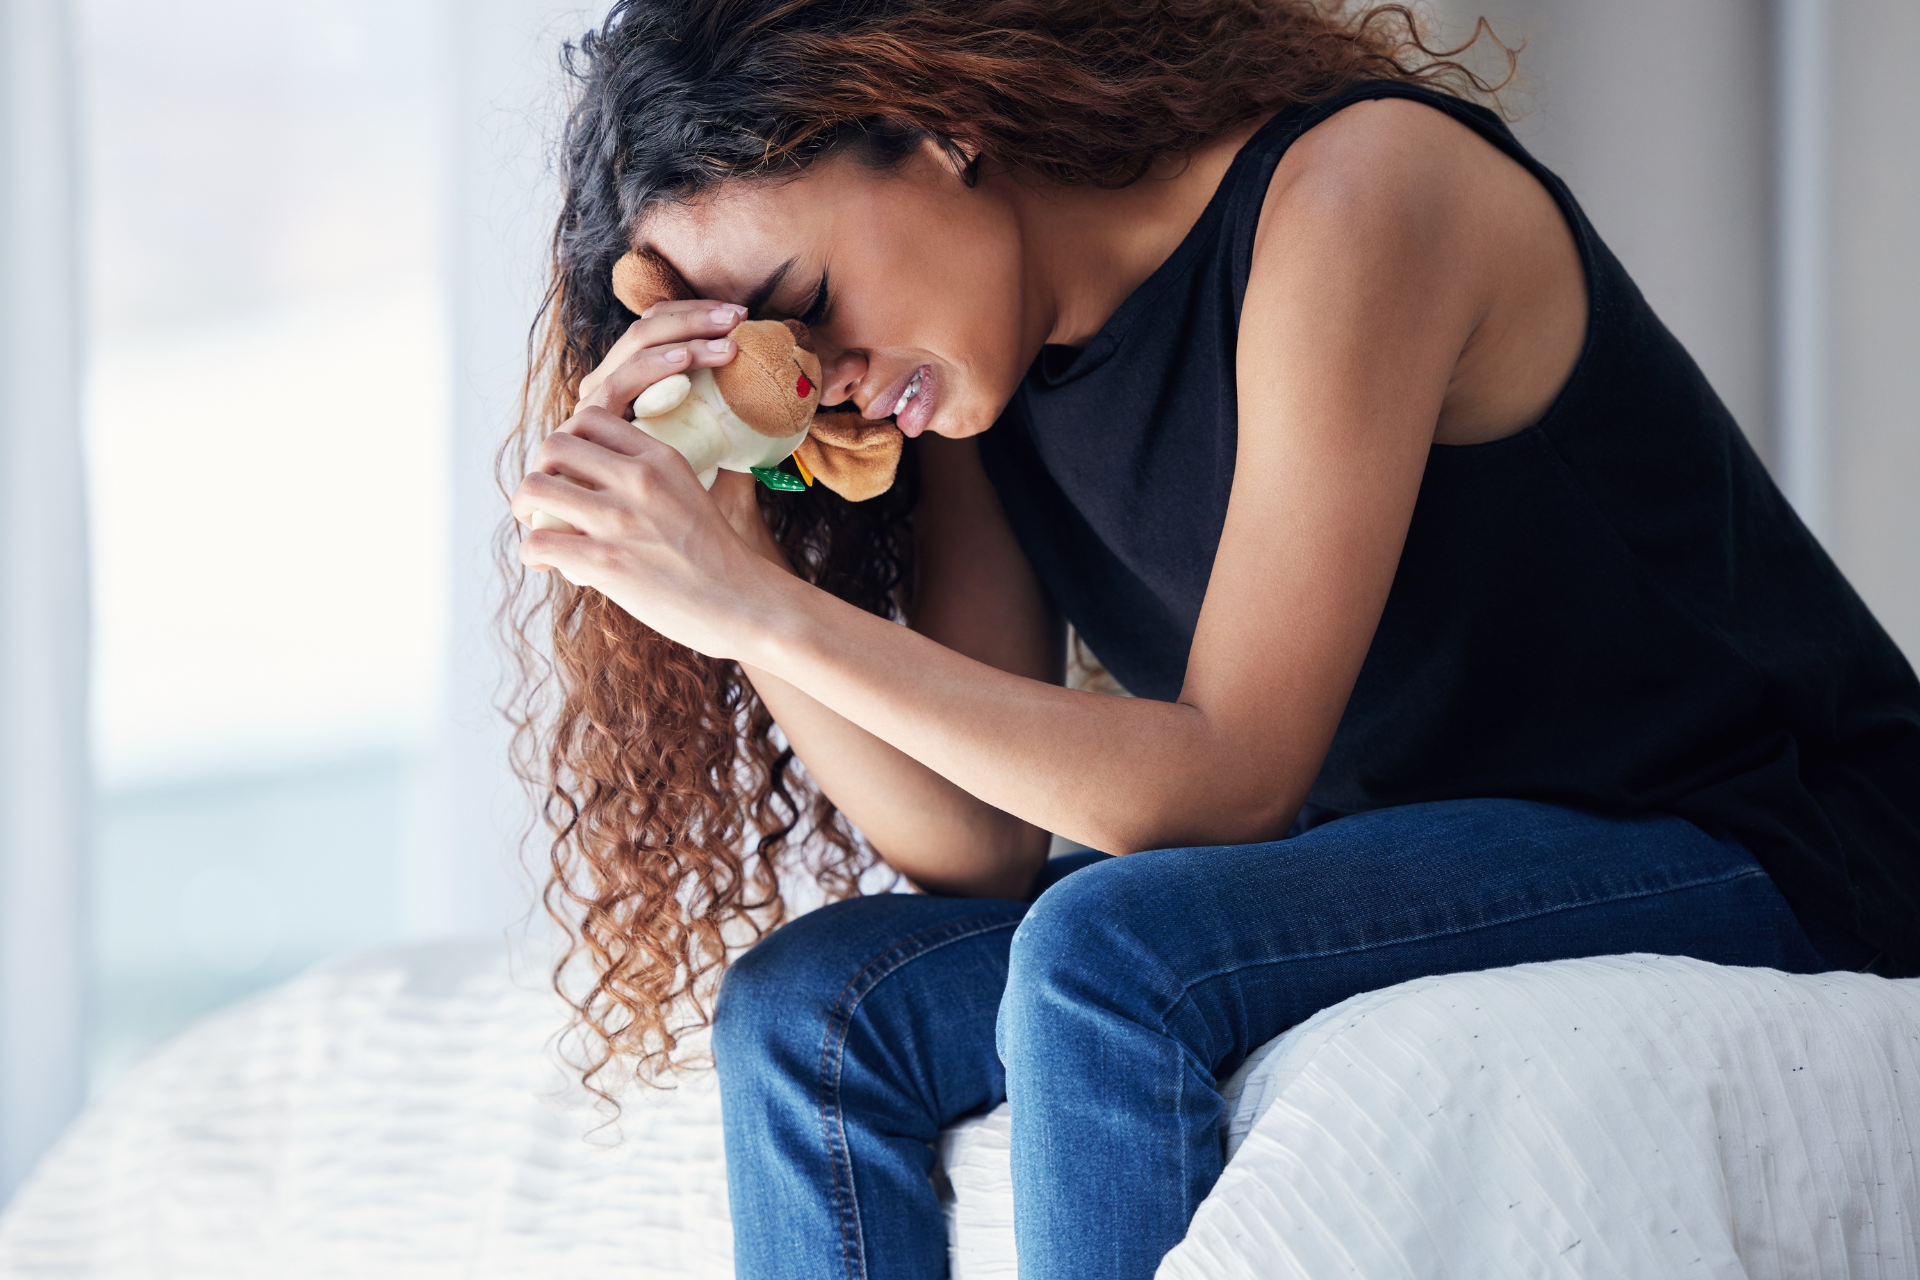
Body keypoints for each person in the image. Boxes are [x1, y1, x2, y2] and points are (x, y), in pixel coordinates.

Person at [503, 2, 1920, 1276]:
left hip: (1761, 827)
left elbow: (1233, 780)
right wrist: (732, 534)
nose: (824, 377)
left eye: (804, 306)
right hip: (1411, 851)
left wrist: (753, 605)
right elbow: (974, 846)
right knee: (815, 1005)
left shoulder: (1357, 193)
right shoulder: (963, 381)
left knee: (1112, 949)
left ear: (937, 129)